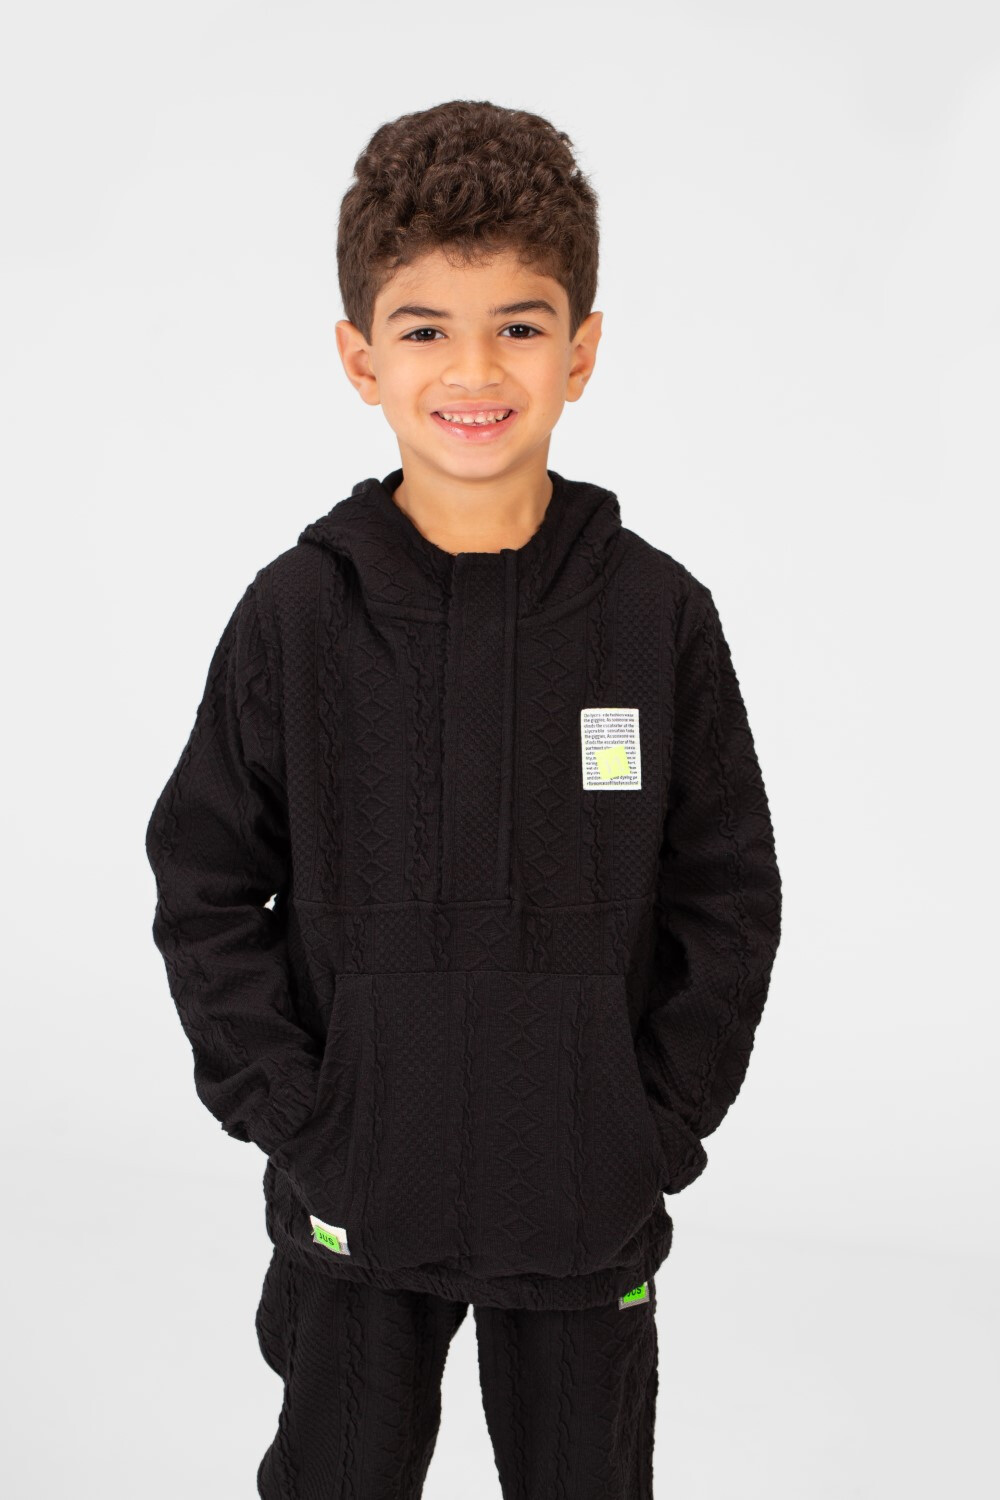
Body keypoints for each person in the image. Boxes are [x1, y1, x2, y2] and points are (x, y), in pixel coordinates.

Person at [145, 97, 783, 1500]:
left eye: (520, 325)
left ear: (583, 350)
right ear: (361, 358)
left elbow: (728, 892)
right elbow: (204, 880)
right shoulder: (298, 615)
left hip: (585, 1194)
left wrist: (652, 1121)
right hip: (355, 1192)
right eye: (427, 327)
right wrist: (302, 1113)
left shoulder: (657, 618)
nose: (475, 369)